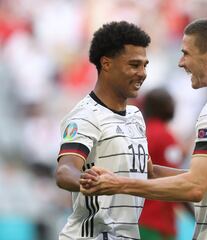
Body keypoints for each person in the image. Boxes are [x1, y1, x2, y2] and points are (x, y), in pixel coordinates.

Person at [80, 17, 207, 239]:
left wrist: (118, 184)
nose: (181, 62)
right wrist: (154, 172)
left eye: (186, 53)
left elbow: (195, 187)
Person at [55, 21, 151, 240]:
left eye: (145, 65)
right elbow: (65, 170)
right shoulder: (85, 115)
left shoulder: (136, 116)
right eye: (135, 65)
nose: (143, 73)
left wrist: (200, 177)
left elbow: (150, 173)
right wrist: (89, 181)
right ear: (106, 64)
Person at [139, 88, 184, 240]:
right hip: (158, 222)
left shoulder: (142, 132)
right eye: (170, 102)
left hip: (139, 218)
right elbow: (177, 181)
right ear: (163, 107)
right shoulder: (165, 137)